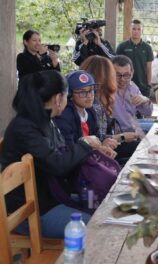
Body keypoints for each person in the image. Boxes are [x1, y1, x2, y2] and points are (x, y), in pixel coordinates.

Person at [0, 70, 104, 238]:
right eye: (66, 95)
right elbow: (57, 164)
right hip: (31, 212)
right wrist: (84, 144)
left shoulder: (42, 120)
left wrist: (92, 149)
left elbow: (62, 154)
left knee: (100, 206)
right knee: (93, 225)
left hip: (48, 197)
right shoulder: (26, 127)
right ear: (58, 99)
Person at [80, 55, 140, 165]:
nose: (117, 78)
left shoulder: (99, 98)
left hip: (103, 151)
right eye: (113, 74)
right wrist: (121, 137)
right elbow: (96, 140)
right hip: (95, 160)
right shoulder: (91, 103)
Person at [54, 70, 117, 159]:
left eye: (91, 90)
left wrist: (103, 144)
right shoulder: (65, 116)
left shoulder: (90, 111)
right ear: (70, 95)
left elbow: (97, 137)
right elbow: (69, 150)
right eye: (82, 92)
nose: (89, 96)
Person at [111, 55, 154, 133]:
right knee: (155, 130)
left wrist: (145, 100)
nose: (122, 79)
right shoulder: (107, 90)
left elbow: (148, 112)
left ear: (132, 73)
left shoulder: (133, 87)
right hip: (119, 133)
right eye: (118, 75)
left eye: (126, 75)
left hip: (133, 125)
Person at [116, 19, 154, 97]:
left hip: (142, 86)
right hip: (125, 85)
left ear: (142, 31)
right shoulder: (122, 46)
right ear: (130, 30)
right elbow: (116, 66)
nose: (136, 31)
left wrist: (149, 84)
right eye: (133, 29)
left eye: (138, 29)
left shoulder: (147, 48)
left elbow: (149, 67)